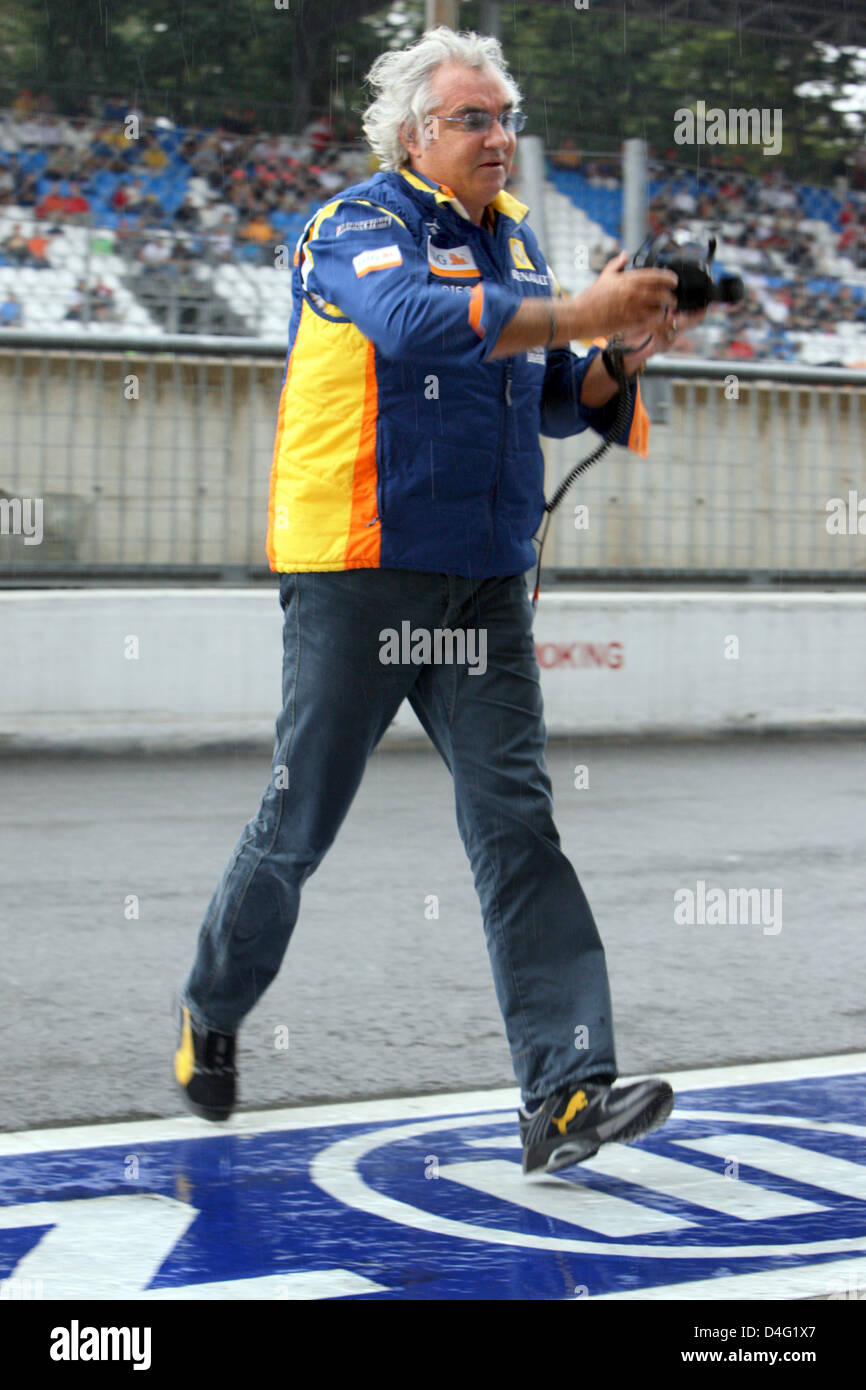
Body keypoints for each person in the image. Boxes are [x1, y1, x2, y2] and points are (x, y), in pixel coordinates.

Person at [175, 27, 702, 1176]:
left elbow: (558, 398)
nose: (498, 136)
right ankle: (211, 1006)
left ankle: (562, 1094)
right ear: (414, 135)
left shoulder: (515, 242)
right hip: (357, 571)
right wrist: (575, 316)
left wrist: (623, 348)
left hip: (483, 585)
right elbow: (415, 325)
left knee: (517, 824)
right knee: (298, 824)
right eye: (473, 117)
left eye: (505, 116)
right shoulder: (354, 226)